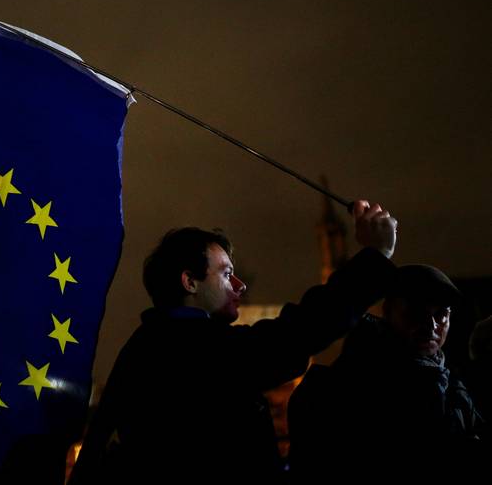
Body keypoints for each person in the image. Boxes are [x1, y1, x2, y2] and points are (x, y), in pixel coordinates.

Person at [69, 200, 397, 484]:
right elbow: (298, 333)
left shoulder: (147, 345)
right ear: (190, 282)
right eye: (226, 274)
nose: (239, 285)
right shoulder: (194, 350)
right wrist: (375, 257)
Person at [288, 264, 485, 481]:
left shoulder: (452, 383)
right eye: (416, 312)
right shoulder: (351, 386)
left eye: (441, 315)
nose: (431, 326)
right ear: (388, 311)